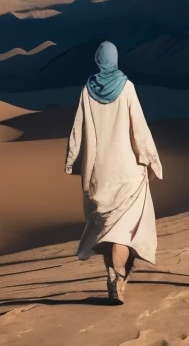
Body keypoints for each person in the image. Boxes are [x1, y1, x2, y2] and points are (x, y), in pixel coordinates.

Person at [65, 41, 162, 304]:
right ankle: (119, 275)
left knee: (108, 230)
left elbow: (78, 128)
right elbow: (138, 128)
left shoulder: (87, 89)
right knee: (121, 231)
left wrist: (73, 160)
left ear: (98, 60)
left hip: (99, 173)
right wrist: (151, 159)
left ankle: (112, 273)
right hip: (127, 172)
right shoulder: (127, 88)